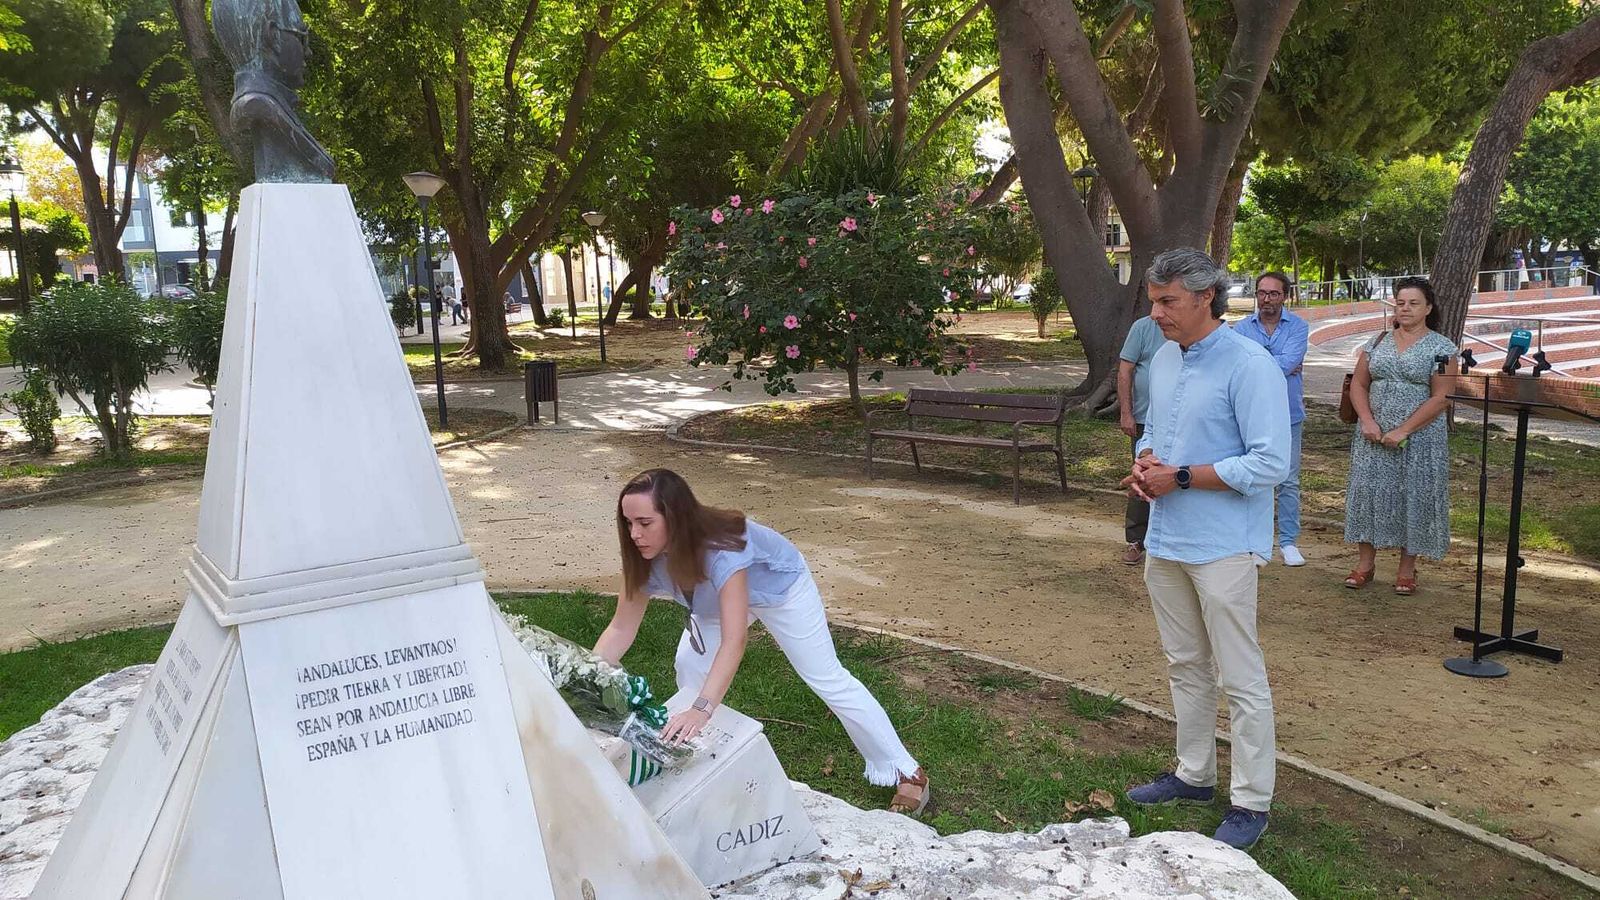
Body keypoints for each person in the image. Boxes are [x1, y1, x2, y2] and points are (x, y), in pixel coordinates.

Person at [595, 469, 931, 814]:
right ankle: (695, 753)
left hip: (780, 590)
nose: (634, 534)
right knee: (690, 666)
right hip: (714, 600)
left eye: (645, 523)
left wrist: (701, 708)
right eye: (628, 523)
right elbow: (621, 629)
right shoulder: (644, 556)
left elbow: (734, 639)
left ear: (675, 517)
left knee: (826, 677)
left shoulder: (721, 549)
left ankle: (907, 771)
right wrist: (584, 676)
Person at [1120, 248, 1288, 851]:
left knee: (1241, 676)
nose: (1157, 312)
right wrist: (1145, 461)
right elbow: (1155, 429)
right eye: (1154, 300)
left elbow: (1271, 461)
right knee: (1185, 664)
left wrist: (1183, 476)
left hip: (1223, 544)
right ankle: (1193, 774)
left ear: (1205, 298)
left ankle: (1251, 800)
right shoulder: (1164, 358)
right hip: (1166, 537)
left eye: (1168, 301)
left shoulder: (1250, 364)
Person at [1343, 276, 1458, 595]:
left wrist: (1404, 429)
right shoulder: (1377, 341)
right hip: (1372, 435)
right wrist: (1366, 420)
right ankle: (1365, 563)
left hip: (1419, 437)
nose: (1405, 308)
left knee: (1414, 493)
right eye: (1401, 302)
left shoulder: (1442, 348)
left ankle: (1407, 568)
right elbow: (1359, 383)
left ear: (1428, 308)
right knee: (1369, 494)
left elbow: (1441, 396)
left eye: (1414, 303)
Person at [1232, 271, 1310, 567]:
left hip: (1288, 414)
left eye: (1273, 293)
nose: (1266, 298)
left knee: (1288, 480)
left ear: (1284, 296)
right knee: (1251, 478)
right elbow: (1240, 367)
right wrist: (1279, 364)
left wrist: (1263, 363)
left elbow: (1289, 361)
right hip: (1249, 414)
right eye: (1262, 292)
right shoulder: (1240, 329)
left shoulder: (1299, 327)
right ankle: (1254, 542)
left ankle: (1288, 542)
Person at [1117, 312, 1167, 566]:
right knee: (1142, 477)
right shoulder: (1142, 328)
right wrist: (1126, 412)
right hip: (1144, 420)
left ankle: (1165, 541)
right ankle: (1136, 540)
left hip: (1178, 420)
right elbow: (1125, 370)